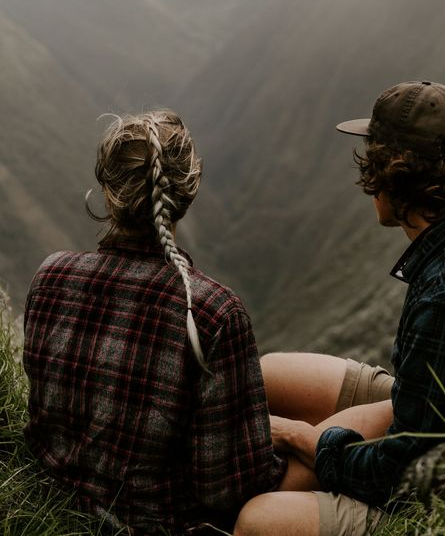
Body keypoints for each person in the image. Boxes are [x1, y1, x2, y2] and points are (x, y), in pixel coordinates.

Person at [234, 81, 445, 536]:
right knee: (268, 375)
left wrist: (297, 437)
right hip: (444, 416)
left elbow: (401, 475)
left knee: (258, 521)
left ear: (394, 174)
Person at [23, 110, 286, 535]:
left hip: (56, 500)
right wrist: (290, 444)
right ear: (189, 189)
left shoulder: (50, 276)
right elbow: (226, 491)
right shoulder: (213, 313)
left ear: (108, 191)